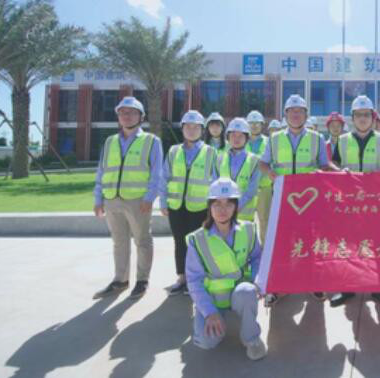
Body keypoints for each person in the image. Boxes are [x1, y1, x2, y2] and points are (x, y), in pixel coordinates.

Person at [258, 94, 341, 305]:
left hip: (310, 200)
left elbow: (325, 164)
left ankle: (313, 283)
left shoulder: (316, 138)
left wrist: (340, 172)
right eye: (292, 111)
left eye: (300, 111)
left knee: (311, 241)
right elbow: (263, 163)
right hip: (282, 199)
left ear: (305, 115)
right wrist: (270, 173)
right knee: (282, 244)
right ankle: (279, 286)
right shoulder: (274, 139)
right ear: (285, 115)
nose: (296, 115)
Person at [185, 178, 267, 360]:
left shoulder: (248, 230)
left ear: (236, 206)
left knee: (247, 291)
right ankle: (217, 316)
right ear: (209, 207)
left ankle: (251, 338)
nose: (222, 210)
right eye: (217, 204)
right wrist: (209, 312)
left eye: (228, 204)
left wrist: (257, 281)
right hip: (213, 300)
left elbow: (257, 258)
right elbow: (194, 280)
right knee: (206, 342)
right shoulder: (197, 239)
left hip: (239, 294)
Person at [328, 95, 380, 309]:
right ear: (353, 118)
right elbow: (333, 162)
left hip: (375, 201)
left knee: (378, 244)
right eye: (359, 115)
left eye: (366, 114)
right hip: (349, 202)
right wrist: (340, 171)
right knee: (349, 244)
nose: (363, 118)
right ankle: (347, 288)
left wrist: (377, 175)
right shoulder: (343, 140)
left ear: (372, 117)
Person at [92, 96, 163, 300]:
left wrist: (149, 198)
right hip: (111, 199)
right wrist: (98, 199)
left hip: (138, 200)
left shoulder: (151, 141)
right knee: (119, 242)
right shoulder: (110, 142)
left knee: (142, 241)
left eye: (132, 112)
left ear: (141, 117)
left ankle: (142, 281)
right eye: (122, 112)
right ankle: (120, 280)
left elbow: (157, 173)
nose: (126, 115)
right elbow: (102, 171)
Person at [160, 110, 219, 296]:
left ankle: (197, 279)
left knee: (198, 244)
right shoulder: (173, 151)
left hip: (200, 208)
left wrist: (214, 207)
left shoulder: (210, 152)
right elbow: (164, 177)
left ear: (202, 130)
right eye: (188, 127)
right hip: (176, 206)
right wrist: (163, 201)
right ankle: (182, 278)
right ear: (182, 129)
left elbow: (216, 181)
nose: (191, 130)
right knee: (179, 241)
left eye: (196, 127)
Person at [218, 118, 262, 223]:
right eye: (233, 135)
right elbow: (215, 185)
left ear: (246, 138)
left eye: (240, 136)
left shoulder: (255, 160)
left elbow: (252, 189)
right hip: (222, 214)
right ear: (228, 137)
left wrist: (236, 206)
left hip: (245, 215)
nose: (236, 139)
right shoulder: (219, 158)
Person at [245, 111, 273, 244]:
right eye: (251, 123)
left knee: (265, 220)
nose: (254, 126)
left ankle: (265, 249)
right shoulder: (242, 141)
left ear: (262, 125)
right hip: (245, 188)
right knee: (245, 220)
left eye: (257, 123)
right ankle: (248, 248)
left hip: (264, 188)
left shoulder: (269, 142)